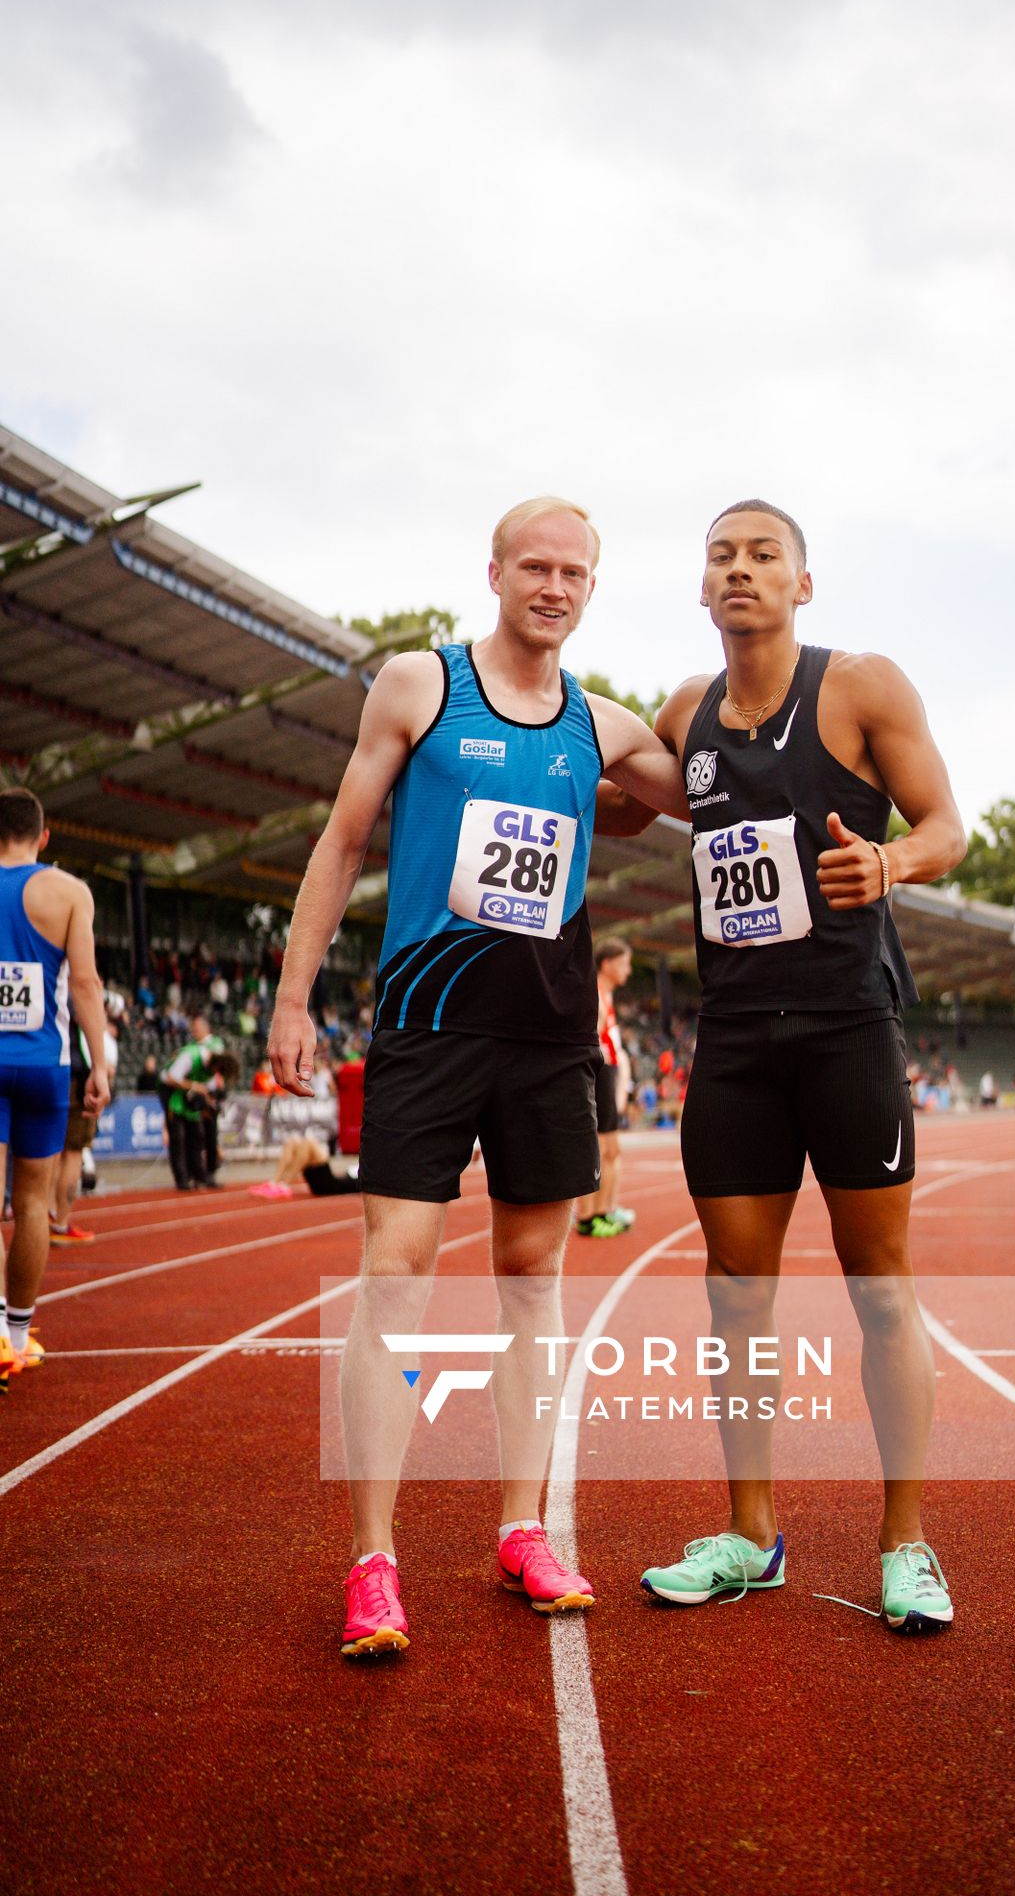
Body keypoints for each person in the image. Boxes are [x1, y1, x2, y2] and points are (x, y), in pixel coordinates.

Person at [268, 495, 685, 1657]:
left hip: (549, 1038)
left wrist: (709, 713)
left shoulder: (598, 724)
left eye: (575, 573)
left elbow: (687, 795)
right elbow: (342, 843)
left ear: (592, 590)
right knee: (394, 1271)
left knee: (533, 1284)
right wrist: (293, 996)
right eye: (535, 566)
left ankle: (520, 1529)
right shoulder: (419, 685)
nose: (554, 586)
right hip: (426, 1027)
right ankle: (372, 1558)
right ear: (494, 572)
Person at [620, 500, 967, 1631]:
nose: (739, 571)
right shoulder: (686, 711)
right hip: (732, 1042)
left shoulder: (861, 686)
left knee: (880, 1290)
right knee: (735, 1296)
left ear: (800, 585)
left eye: (762, 556)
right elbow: (630, 809)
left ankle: (904, 1542)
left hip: (844, 1028)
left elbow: (947, 826)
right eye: (720, 556)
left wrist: (891, 858)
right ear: (700, 585)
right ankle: (751, 1533)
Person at [0, 787, 110, 1383]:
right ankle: (17, 1335)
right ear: (44, 837)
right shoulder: (69, 893)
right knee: (33, 1204)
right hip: (46, 1065)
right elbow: (86, 985)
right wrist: (101, 1064)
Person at [575, 939, 636, 1238]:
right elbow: (591, 1047)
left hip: (606, 1074)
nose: (629, 969)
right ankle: (591, 1216)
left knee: (611, 1150)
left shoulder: (606, 997)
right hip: (598, 1074)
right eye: (624, 962)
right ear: (607, 963)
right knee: (600, 1150)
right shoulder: (596, 998)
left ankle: (604, 1211)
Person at [49, 999, 121, 1245]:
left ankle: (45, 1216)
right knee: (72, 1154)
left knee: (49, 1151)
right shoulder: (79, 995)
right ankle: (59, 1223)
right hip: (77, 1081)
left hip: (46, 1069)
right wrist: (100, 1072)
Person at [161, 1017, 237, 1190]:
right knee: (179, 1137)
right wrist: (195, 1086)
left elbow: (208, 1086)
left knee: (197, 1136)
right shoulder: (191, 1056)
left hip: (191, 1097)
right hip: (173, 1094)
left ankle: (200, 1175)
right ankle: (183, 1178)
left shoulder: (213, 1062)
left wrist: (207, 1097)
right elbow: (170, 1078)